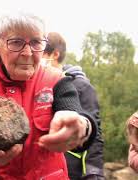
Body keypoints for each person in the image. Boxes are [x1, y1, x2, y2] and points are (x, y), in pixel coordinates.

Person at [0, 6, 98, 179]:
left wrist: (82, 126)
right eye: (16, 42)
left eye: (36, 42)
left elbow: (75, 114)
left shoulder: (57, 80)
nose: (27, 53)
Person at [43, 32, 104, 179]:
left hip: (72, 169)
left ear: (55, 54)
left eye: (42, 52)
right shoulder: (41, 82)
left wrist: (94, 172)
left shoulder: (80, 85)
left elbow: (95, 134)